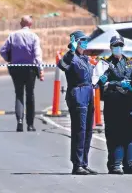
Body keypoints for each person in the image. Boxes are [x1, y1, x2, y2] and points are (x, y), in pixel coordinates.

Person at [97, 34, 132, 175]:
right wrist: (116, 84)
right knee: (114, 135)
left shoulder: (129, 63)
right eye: (115, 46)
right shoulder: (105, 64)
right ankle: (115, 164)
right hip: (114, 105)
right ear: (111, 47)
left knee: (131, 133)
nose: (118, 48)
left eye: (120, 45)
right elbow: (100, 85)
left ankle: (130, 164)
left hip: (130, 104)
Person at [57, 30, 97, 175]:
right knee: (79, 130)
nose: (85, 43)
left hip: (88, 93)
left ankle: (84, 163)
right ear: (75, 42)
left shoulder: (84, 58)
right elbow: (61, 65)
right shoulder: (71, 57)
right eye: (82, 40)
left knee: (87, 130)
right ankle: (77, 164)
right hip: (77, 94)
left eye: (86, 40)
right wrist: (70, 51)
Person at [0, 15, 44, 132]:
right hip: (30, 69)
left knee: (19, 94)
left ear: (21, 23)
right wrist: (41, 69)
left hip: (16, 68)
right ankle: (30, 124)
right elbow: (37, 54)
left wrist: (9, 59)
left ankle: (19, 121)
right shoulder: (34, 36)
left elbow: (3, 50)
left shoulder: (13, 35)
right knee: (30, 95)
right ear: (30, 24)